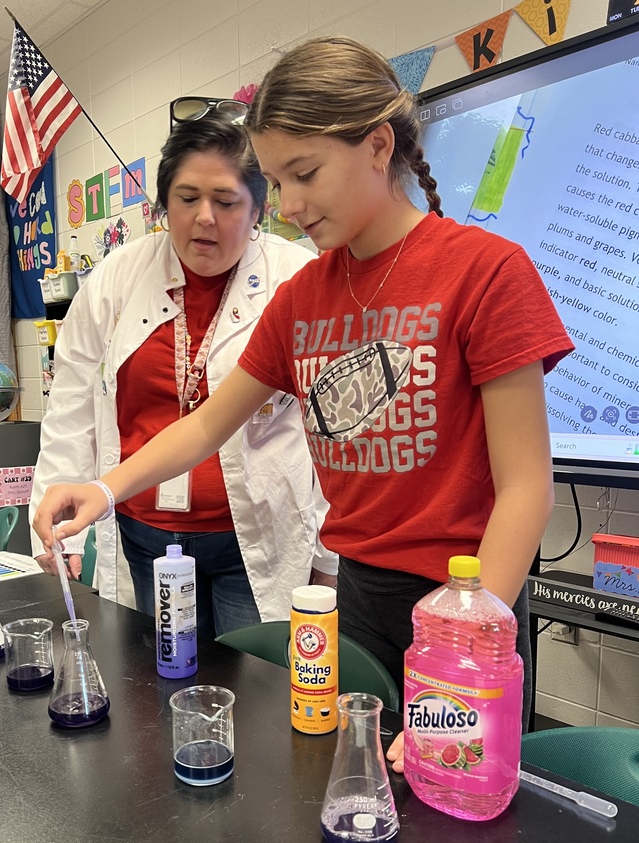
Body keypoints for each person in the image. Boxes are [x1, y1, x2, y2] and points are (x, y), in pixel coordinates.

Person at [33, 37, 574, 769]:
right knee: (353, 788)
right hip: (358, 597)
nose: (286, 206)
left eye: (304, 174)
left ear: (378, 146)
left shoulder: (485, 272)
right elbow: (204, 426)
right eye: (277, 181)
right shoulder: (303, 299)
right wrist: (103, 487)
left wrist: (464, 650)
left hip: (469, 591)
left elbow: (526, 490)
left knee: (456, 812)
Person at [29, 111, 337, 636]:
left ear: (259, 207)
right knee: (160, 689)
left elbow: (331, 431)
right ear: (163, 204)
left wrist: (328, 559)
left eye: (225, 201)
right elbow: (71, 405)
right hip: (145, 535)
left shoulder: (299, 278)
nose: (205, 218)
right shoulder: (117, 278)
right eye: (188, 198)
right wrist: (57, 533)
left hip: (257, 538)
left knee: (258, 694)